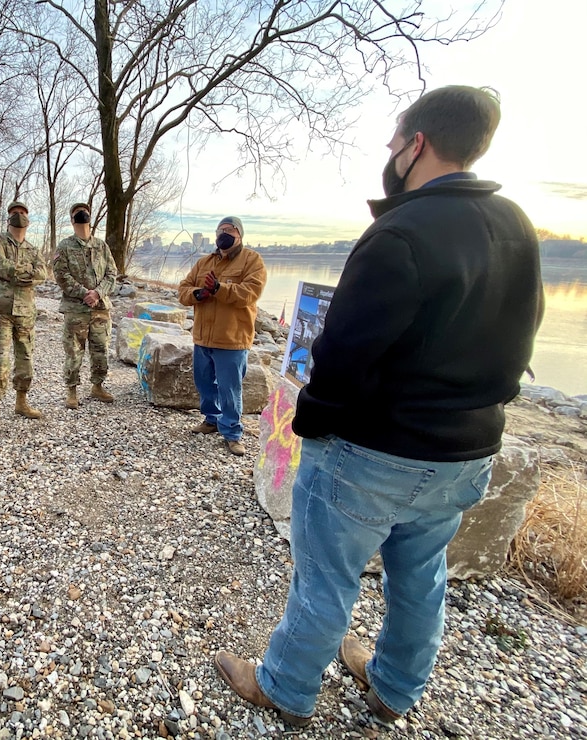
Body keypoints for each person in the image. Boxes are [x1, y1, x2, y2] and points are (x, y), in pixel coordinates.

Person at [214, 86, 544, 727]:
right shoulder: (516, 226)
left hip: (376, 453)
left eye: (394, 143)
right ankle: (395, 686)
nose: (389, 154)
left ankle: (284, 686)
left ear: (417, 144)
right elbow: (523, 332)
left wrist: (309, 420)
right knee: (420, 576)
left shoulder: (401, 230)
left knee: (326, 576)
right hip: (466, 452)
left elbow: (343, 350)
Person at [177, 216, 267, 456]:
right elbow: (183, 290)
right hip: (203, 337)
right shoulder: (204, 262)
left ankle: (232, 432)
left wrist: (219, 289)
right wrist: (199, 293)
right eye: (220, 230)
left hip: (232, 339)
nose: (223, 233)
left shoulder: (252, 260)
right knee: (204, 383)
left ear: (240, 234)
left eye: (230, 229)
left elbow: (250, 292)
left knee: (229, 389)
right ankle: (212, 419)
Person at [0, 200, 47, 433]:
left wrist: (20, 273)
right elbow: (0, 266)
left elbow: (43, 273)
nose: (18, 215)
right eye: (14, 213)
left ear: (28, 219)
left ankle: (21, 403)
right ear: (8, 217)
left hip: (26, 313)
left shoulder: (33, 248)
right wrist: (26, 273)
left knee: (26, 361)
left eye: (22, 213)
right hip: (2, 311)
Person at [52, 202, 118, 408]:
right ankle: (71, 391)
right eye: (77, 213)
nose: (82, 214)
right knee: (74, 351)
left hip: (100, 308)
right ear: (72, 220)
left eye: (85, 211)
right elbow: (61, 275)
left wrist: (98, 293)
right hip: (76, 309)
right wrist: (84, 294)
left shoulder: (101, 245)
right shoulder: (64, 246)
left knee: (100, 350)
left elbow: (112, 273)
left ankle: (97, 386)